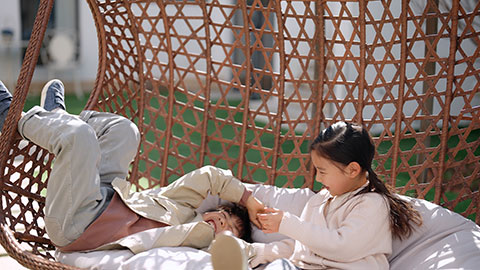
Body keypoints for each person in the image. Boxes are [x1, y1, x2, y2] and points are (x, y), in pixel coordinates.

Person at [0, 79, 264, 270]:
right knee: (125, 130)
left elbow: (246, 253)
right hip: (105, 194)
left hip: (77, 223)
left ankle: (12, 117)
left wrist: (229, 240)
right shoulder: (182, 206)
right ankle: (56, 118)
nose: (223, 221)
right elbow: (210, 177)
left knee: (79, 138)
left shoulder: (201, 244)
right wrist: (249, 200)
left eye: (232, 229)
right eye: (225, 214)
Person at [250, 121, 423, 269]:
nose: (317, 178)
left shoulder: (372, 204)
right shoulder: (319, 201)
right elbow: (305, 245)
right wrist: (258, 252)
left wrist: (288, 223)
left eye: (322, 171)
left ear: (352, 170)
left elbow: (342, 247)